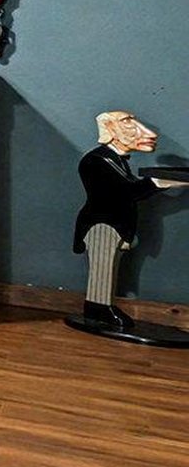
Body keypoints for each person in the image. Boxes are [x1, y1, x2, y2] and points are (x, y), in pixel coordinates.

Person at [69, 110, 189, 346]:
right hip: (102, 225)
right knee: (103, 268)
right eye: (127, 124)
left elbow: (129, 187)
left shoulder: (115, 160)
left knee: (109, 266)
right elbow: (126, 192)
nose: (146, 133)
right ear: (111, 131)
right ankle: (99, 307)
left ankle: (100, 307)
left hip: (115, 225)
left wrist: (163, 181)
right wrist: (157, 182)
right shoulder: (96, 161)